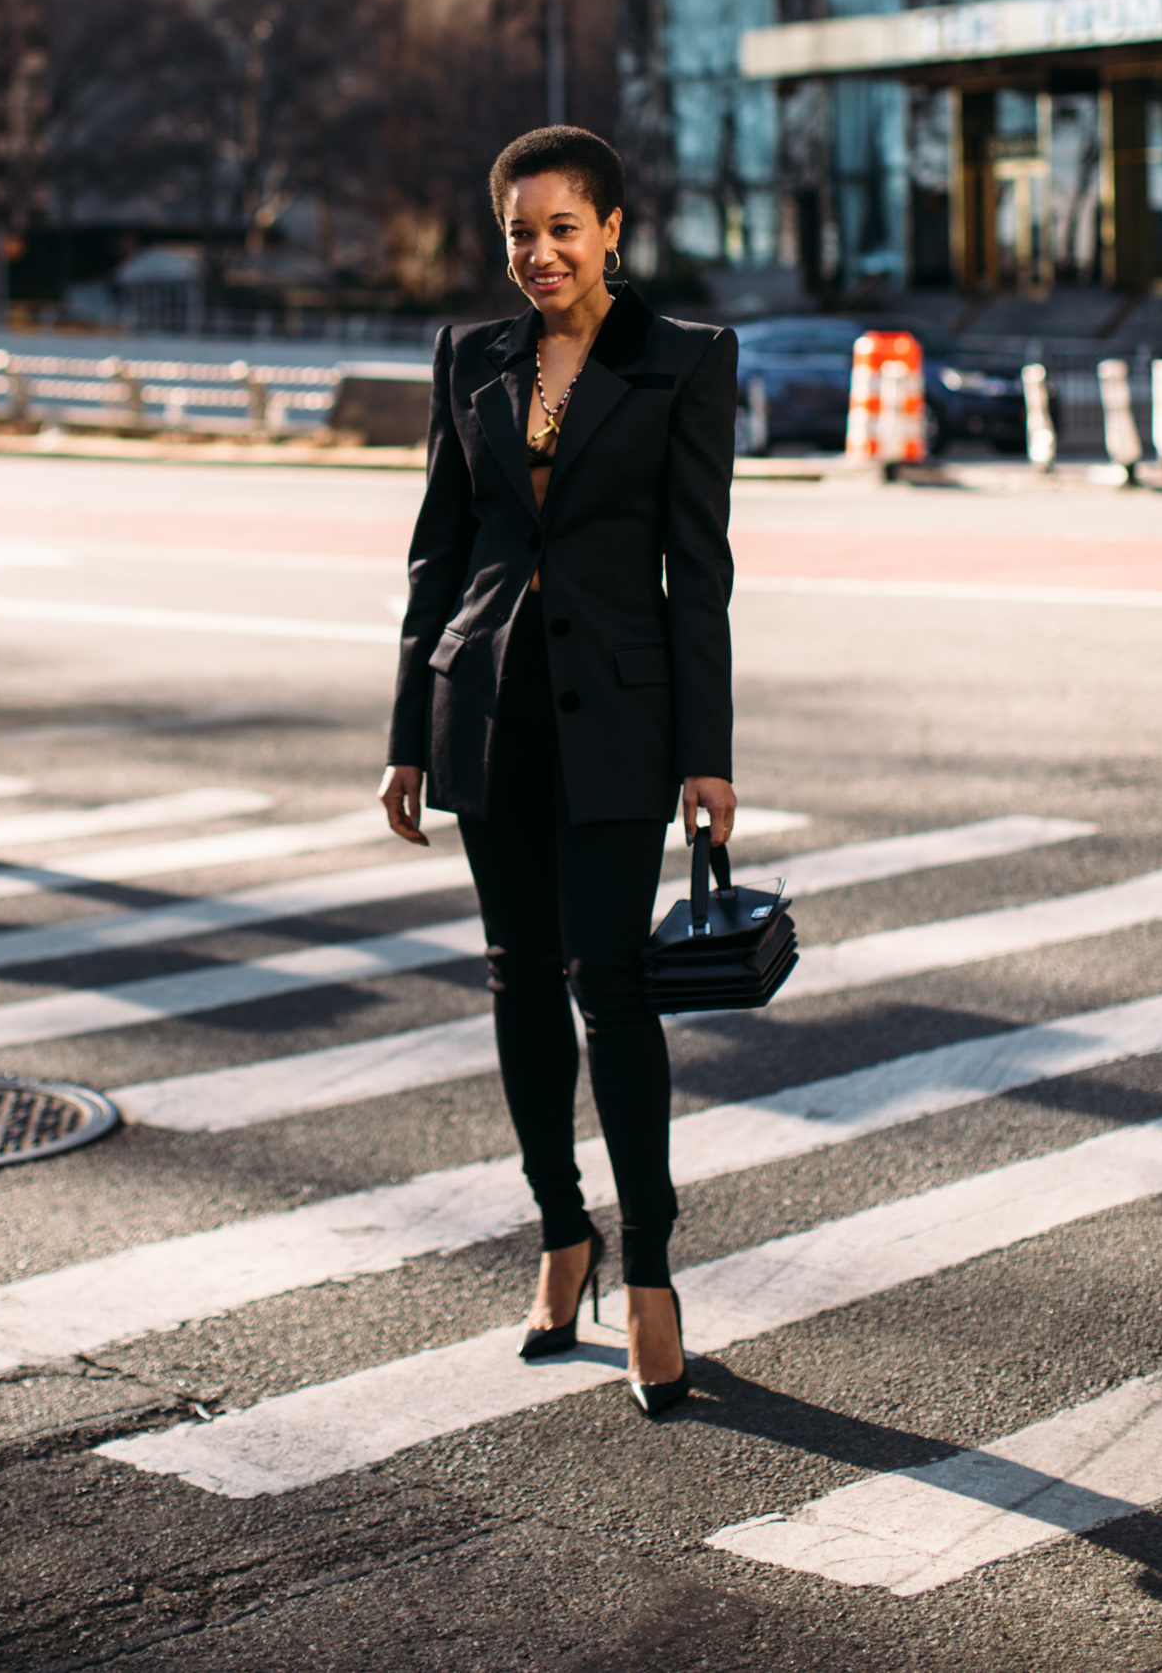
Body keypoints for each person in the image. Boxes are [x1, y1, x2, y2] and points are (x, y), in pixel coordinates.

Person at [380, 124, 737, 1419]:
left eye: (563, 229)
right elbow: (439, 552)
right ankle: (557, 1234)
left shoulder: (683, 363)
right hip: (485, 709)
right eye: (519, 232)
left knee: (613, 986)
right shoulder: (468, 358)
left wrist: (709, 753)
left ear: (613, 232)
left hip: (620, 726)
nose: (539, 254)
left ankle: (649, 1278)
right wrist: (407, 731)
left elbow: (698, 573)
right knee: (519, 980)